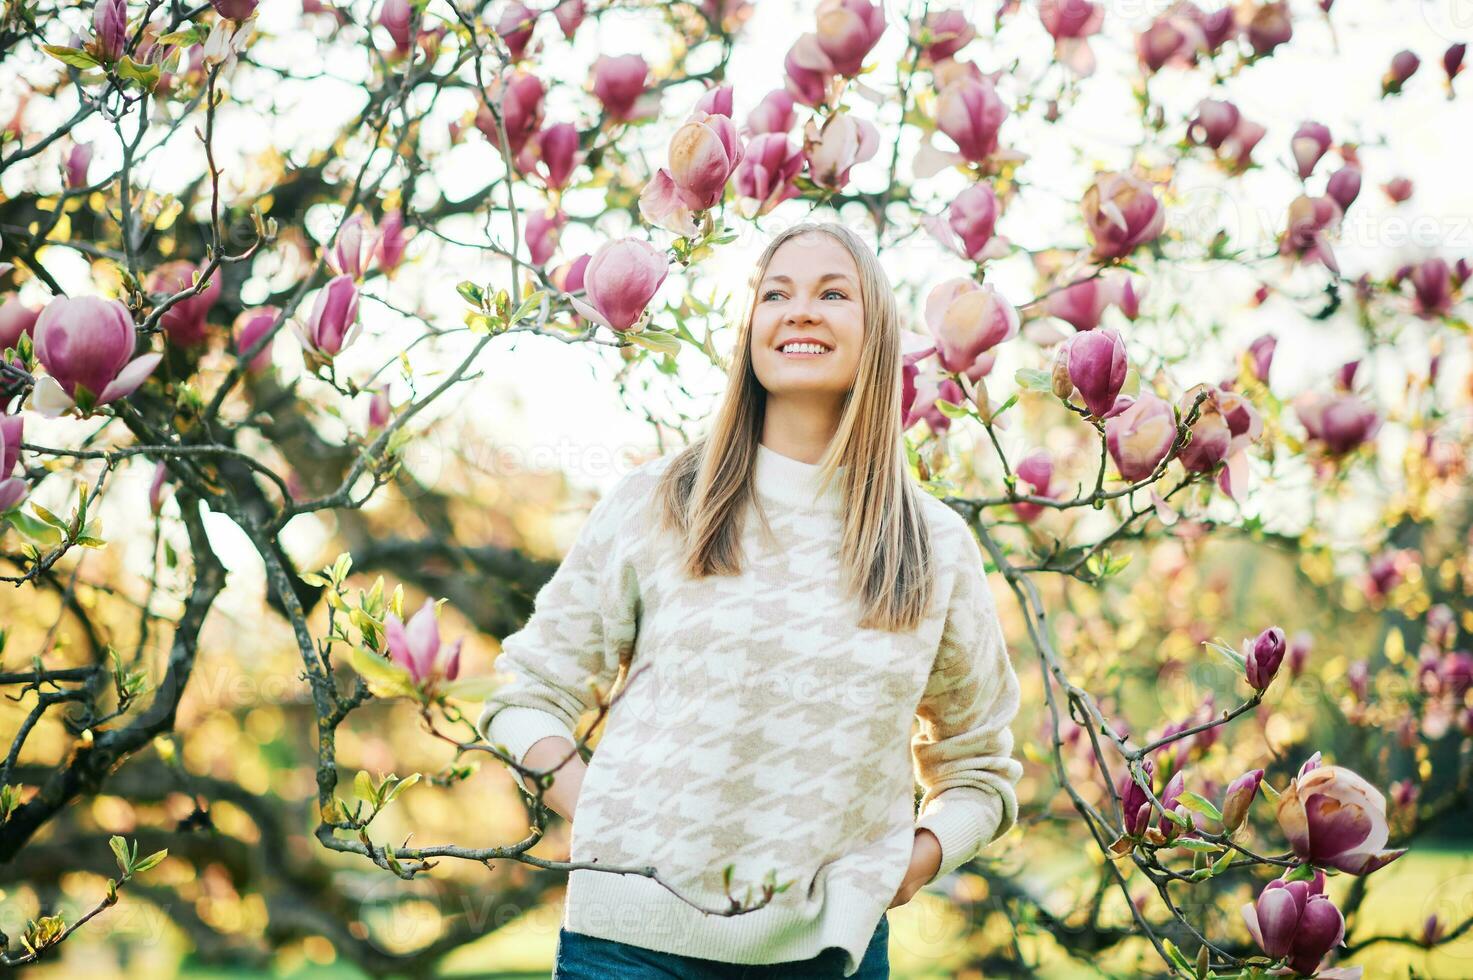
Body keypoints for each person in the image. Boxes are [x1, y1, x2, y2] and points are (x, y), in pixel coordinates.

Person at [478, 221, 1023, 979]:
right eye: (776, 293)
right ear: (750, 331)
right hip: (630, 951)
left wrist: (917, 859)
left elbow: (979, 772)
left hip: (829, 954)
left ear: (877, 334)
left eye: (832, 293)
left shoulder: (930, 545)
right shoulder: (659, 503)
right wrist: (604, 814)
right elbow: (525, 697)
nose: (799, 310)